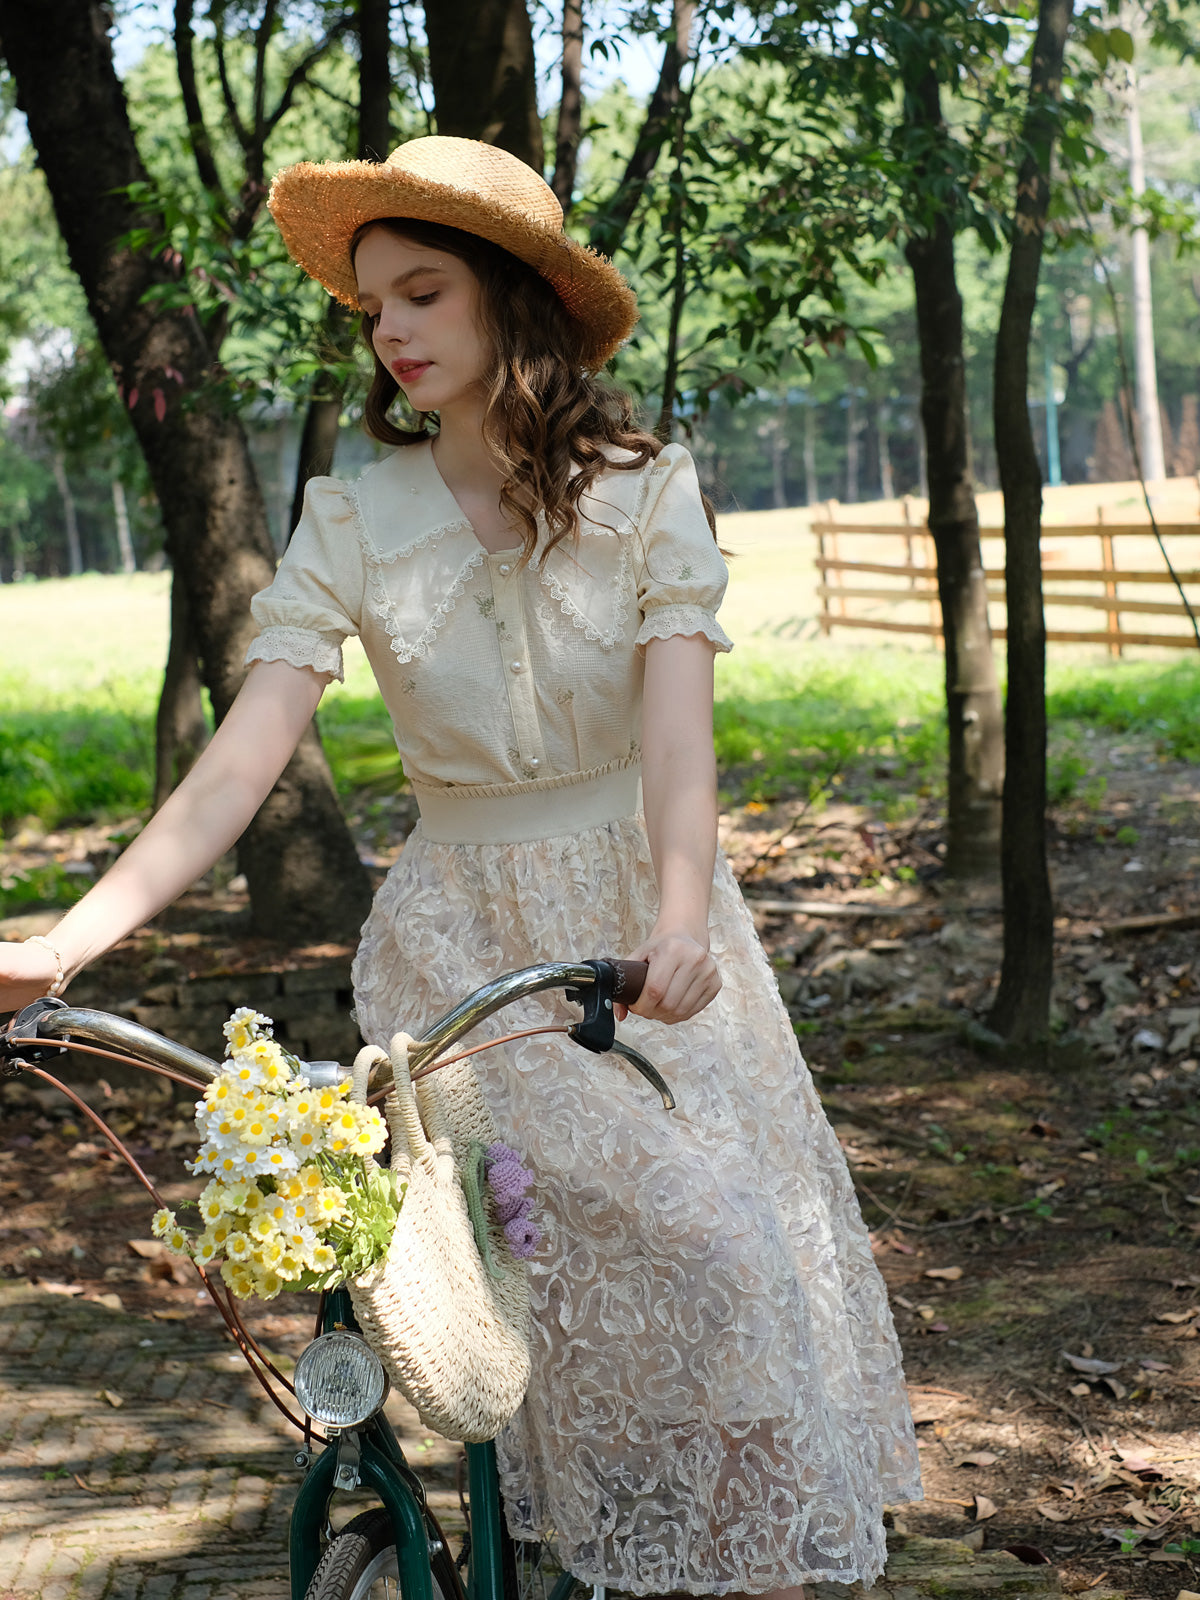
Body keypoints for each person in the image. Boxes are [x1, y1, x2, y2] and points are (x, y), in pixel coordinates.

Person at [1, 137, 921, 1597]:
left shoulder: (645, 490)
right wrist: (73, 938)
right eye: (374, 310)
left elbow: (682, 749)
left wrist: (680, 923)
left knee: (754, 1267)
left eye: (423, 293)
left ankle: (730, 1574)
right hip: (465, 963)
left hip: (649, 941)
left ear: (511, 300)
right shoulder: (355, 518)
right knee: (618, 1279)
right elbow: (243, 763)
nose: (394, 333)